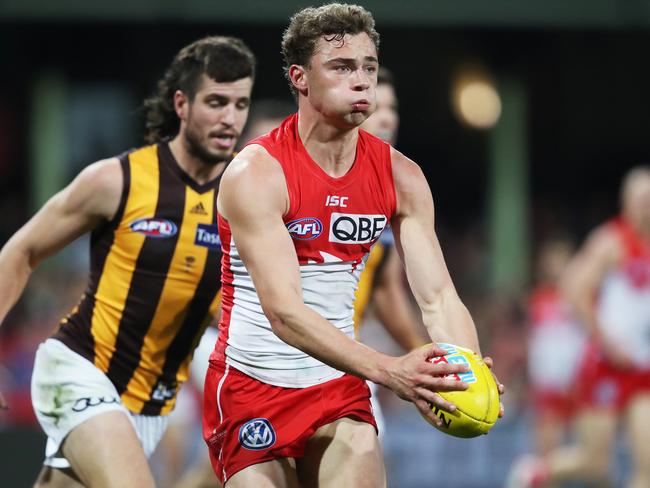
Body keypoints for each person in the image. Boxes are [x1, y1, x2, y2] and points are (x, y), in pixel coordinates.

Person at [203, 4, 503, 487]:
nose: (362, 80)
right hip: (250, 387)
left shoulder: (402, 177)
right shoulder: (256, 173)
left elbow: (438, 297)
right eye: (342, 67)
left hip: (338, 387)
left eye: (367, 67)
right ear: (299, 78)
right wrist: (392, 371)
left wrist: (462, 374)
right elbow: (285, 313)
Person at [0, 35, 256, 487]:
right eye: (217, 102)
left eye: (240, 104)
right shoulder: (116, 179)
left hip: (152, 405)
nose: (230, 118)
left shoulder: (246, 196)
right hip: (80, 369)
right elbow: (21, 251)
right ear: (181, 104)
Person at [507, 166, 650, 488]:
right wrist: (607, 341)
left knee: (647, 467)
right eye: (641, 198)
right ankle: (535, 475)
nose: (647, 205)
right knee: (596, 465)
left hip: (642, 367)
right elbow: (572, 289)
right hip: (606, 365)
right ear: (626, 201)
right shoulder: (611, 241)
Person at [525, 238, 585, 456]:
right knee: (548, 448)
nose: (558, 268)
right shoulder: (539, 298)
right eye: (553, 262)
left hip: (578, 380)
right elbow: (537, 343)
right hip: (549, 382)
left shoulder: (582, 298)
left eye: (563, 262)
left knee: (586, 450)